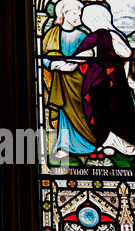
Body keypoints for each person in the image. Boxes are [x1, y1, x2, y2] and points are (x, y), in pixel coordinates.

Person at [72, 4, 135, 159]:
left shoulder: (106, 35)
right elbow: (83, 55)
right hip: (103, 82)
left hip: (108, 82)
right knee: (108, 114)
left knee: (113, 115)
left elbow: (125, 54)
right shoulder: (101, 36)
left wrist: (131, 81)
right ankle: (107, 143)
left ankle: (118, 145)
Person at [43, 0, 97, 160]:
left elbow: (91, 54)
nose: (77, 17)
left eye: (79, 14)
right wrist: (54, 64)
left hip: (80, 81)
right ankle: (64, 146)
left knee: (82, 112)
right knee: (64, 112)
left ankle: (89, 143)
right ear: (64, 13)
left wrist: (77, 61)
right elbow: (43, 56)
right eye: (74, 13)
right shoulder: (52, 33)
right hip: (60, 81)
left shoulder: (82, 35)